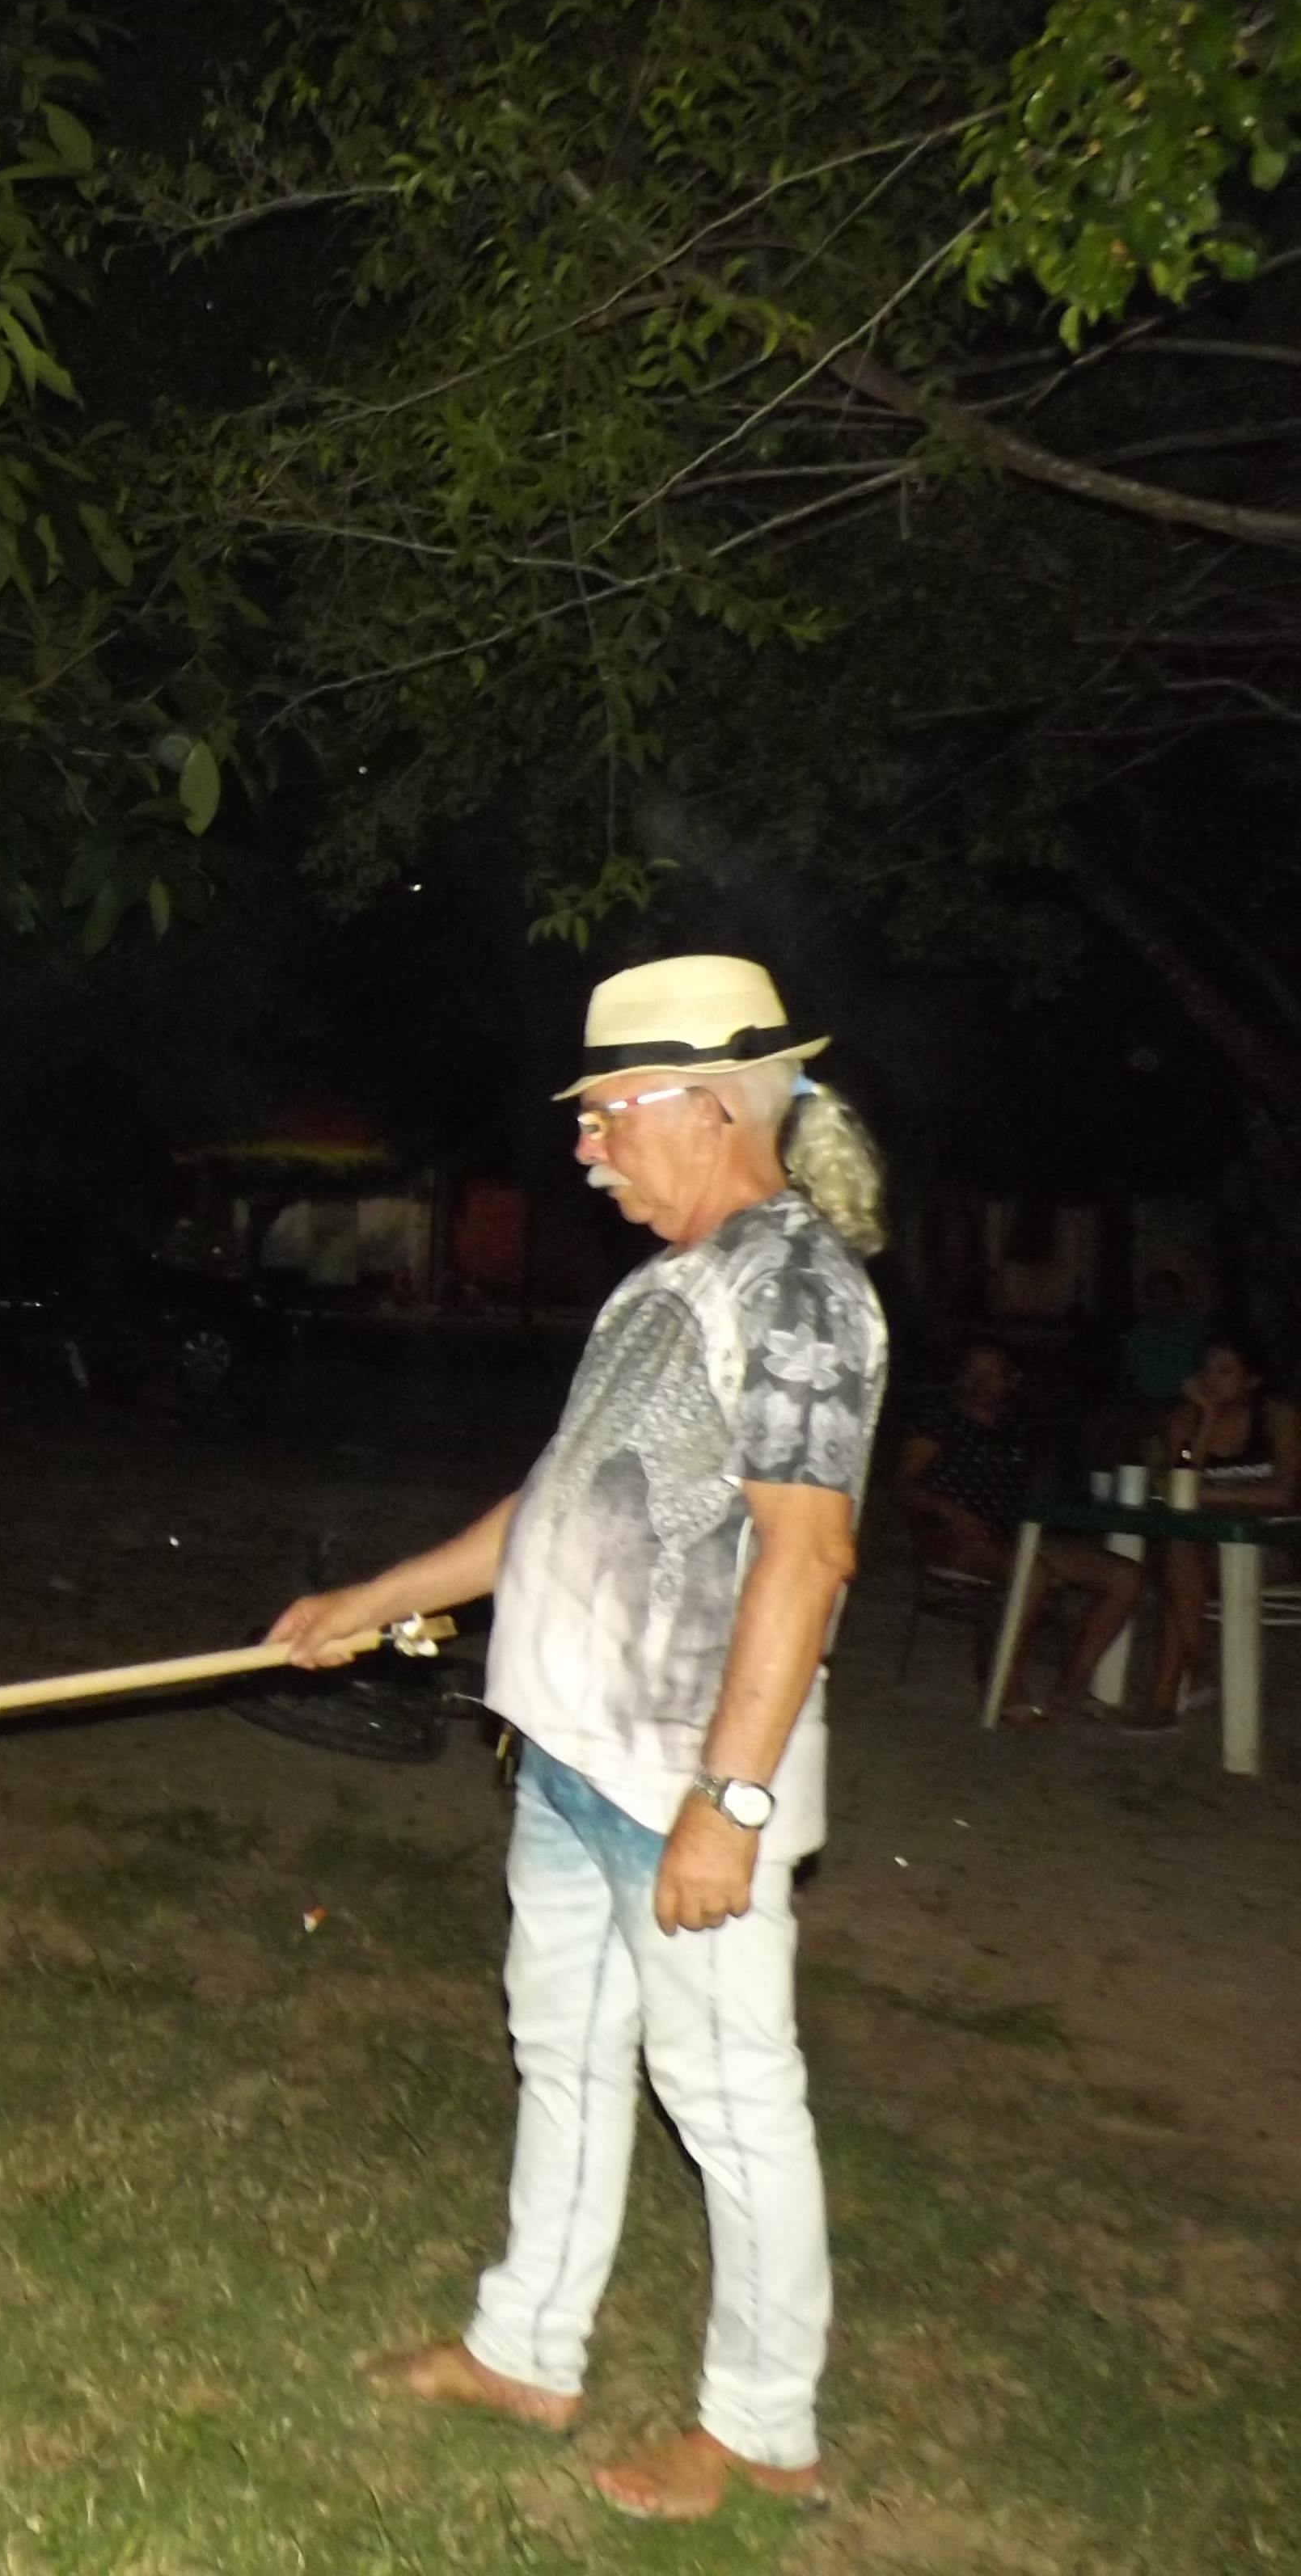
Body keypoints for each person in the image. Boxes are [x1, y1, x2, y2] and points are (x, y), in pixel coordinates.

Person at [267, 953, 886, 2523]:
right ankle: (525, 2350)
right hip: (567, 1762)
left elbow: (807, 1553)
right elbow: (550, 1508)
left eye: (609, 1110)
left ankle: (761, 2426)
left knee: (727, 2095)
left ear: (708, 1104)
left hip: (680, 1780)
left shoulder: (795, 1290)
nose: (584, 1143)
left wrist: (729, 1802)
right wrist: (370, 1599)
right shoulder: (658, 1288)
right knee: (561, 2053)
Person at [893, 1339, 1138, 1723]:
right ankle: (1007, 1686)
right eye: (973, 1372)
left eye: (991, 1374)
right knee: (1032, 1572)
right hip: (952, 1536)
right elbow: (903, 1485)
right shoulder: (938, 1421)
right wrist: (946, 1509)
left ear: (1012, 1380)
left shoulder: (1017, 1427)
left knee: (1125, 1575)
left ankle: (1071, 1686)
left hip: (1011, 1537)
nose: (979, 1382)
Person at [1142, 1331, 1301, 1731]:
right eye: (1206, 1369)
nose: (1210, 1379)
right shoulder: (1186, 1418)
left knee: (1181, 1573)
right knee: (1181, 1557)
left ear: (1252, 1380)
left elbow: (1284, 1494)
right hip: (1204, 1547)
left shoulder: (1277, 1417)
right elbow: (1181, 1487)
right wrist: (1207, 1419)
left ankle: (1174, 1692)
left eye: (1225, 1371)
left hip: (1269, 1546)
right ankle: (1187, 1682)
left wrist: (1208, 1492)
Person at [1119, 1270, 1210, 1419]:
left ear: (1178, 1295)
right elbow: (1131, 1368)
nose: (1159, 1301)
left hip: (1185, 1402)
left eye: (1165, 1294)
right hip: (1147, 1404)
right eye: (1153, 1296)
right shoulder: (1141, 1332)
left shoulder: (1196, 1329)